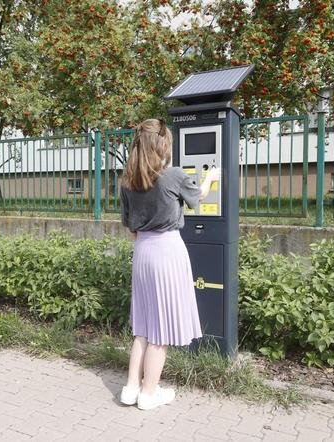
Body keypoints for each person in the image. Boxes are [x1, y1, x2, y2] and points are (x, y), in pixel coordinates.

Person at [118, 118, 221, 410]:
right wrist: (212, 177)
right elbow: (197, 198)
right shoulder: (172, 175)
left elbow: (131, 228)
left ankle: (130, 388)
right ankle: (149, 394)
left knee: (143, 326)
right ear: (162, 144)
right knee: (160, 331)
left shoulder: (127, 181)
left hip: (142, 252)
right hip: (167, 250)